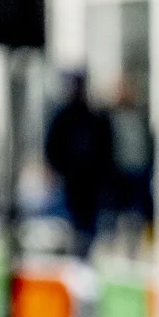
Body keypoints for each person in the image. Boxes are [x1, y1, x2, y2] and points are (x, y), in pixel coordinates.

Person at [43, 69, 118, 250]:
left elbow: (106, 149)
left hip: (91, 180)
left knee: (89, 220)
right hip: (71, 179)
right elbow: (52, 147)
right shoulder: (63, 117)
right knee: (72, 219)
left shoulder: (94, 117)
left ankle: (85, 247)